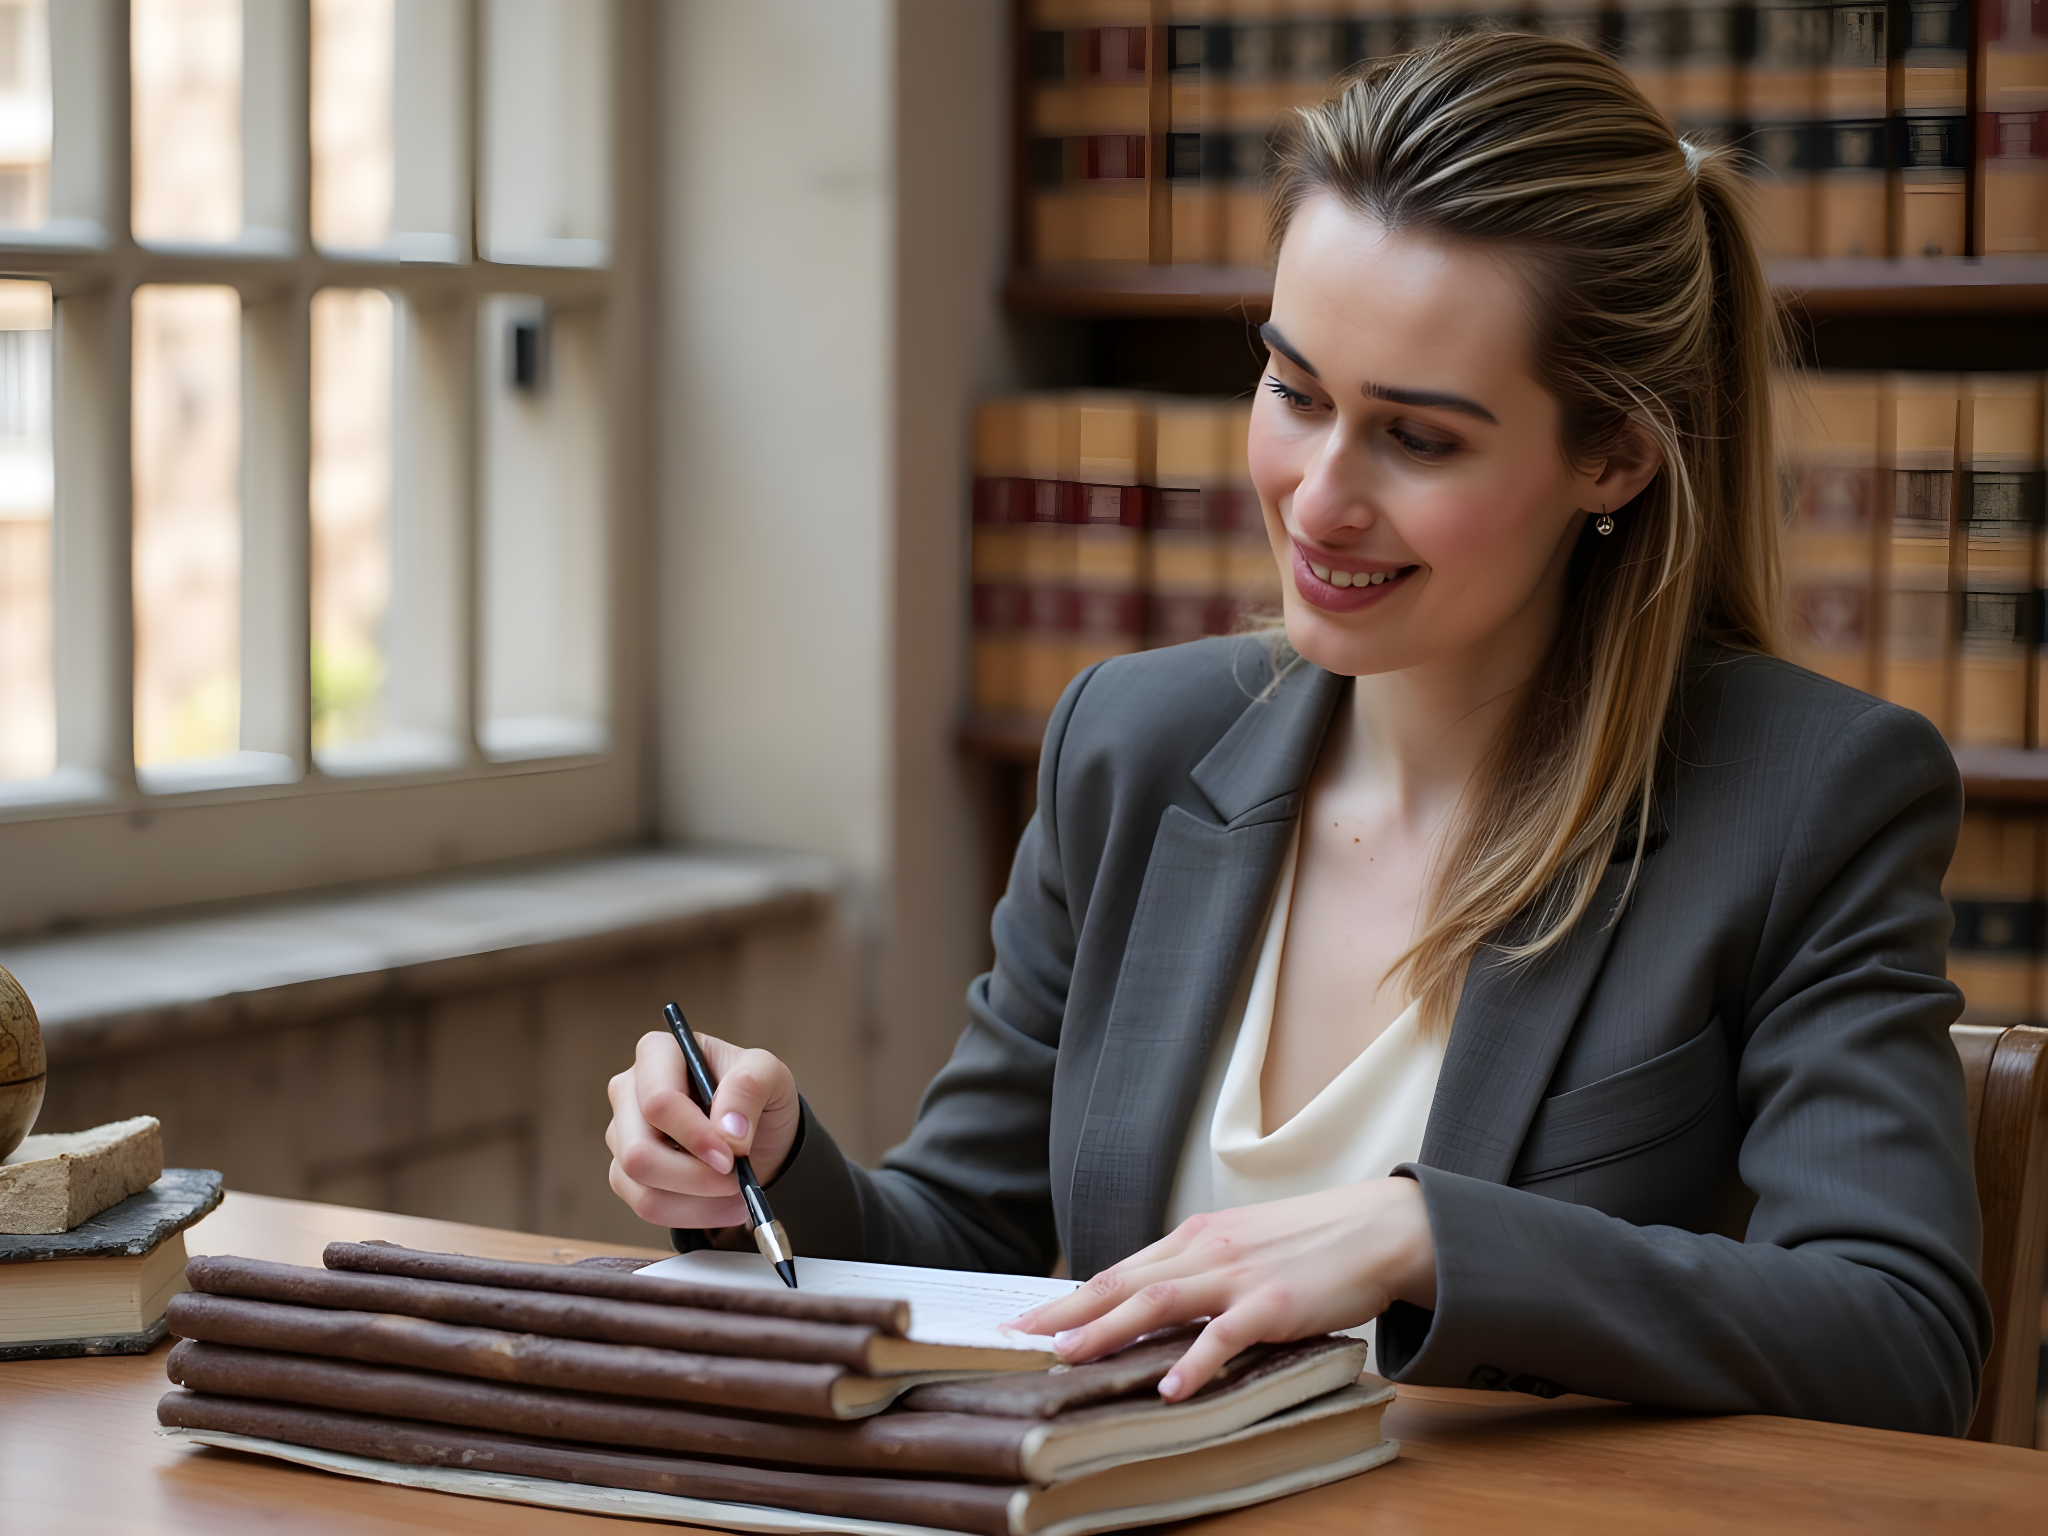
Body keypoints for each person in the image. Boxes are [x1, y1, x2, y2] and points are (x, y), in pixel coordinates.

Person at [607, 32, 1989, 1435]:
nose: (1319, 500)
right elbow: (970, 1234)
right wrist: (770, 1171)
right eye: (1297, 392)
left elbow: (1899, 1335)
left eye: (1421, 439)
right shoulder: (1131, 746)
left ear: (1614, 458)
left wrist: (1429, 1241)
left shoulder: (1808, 794)